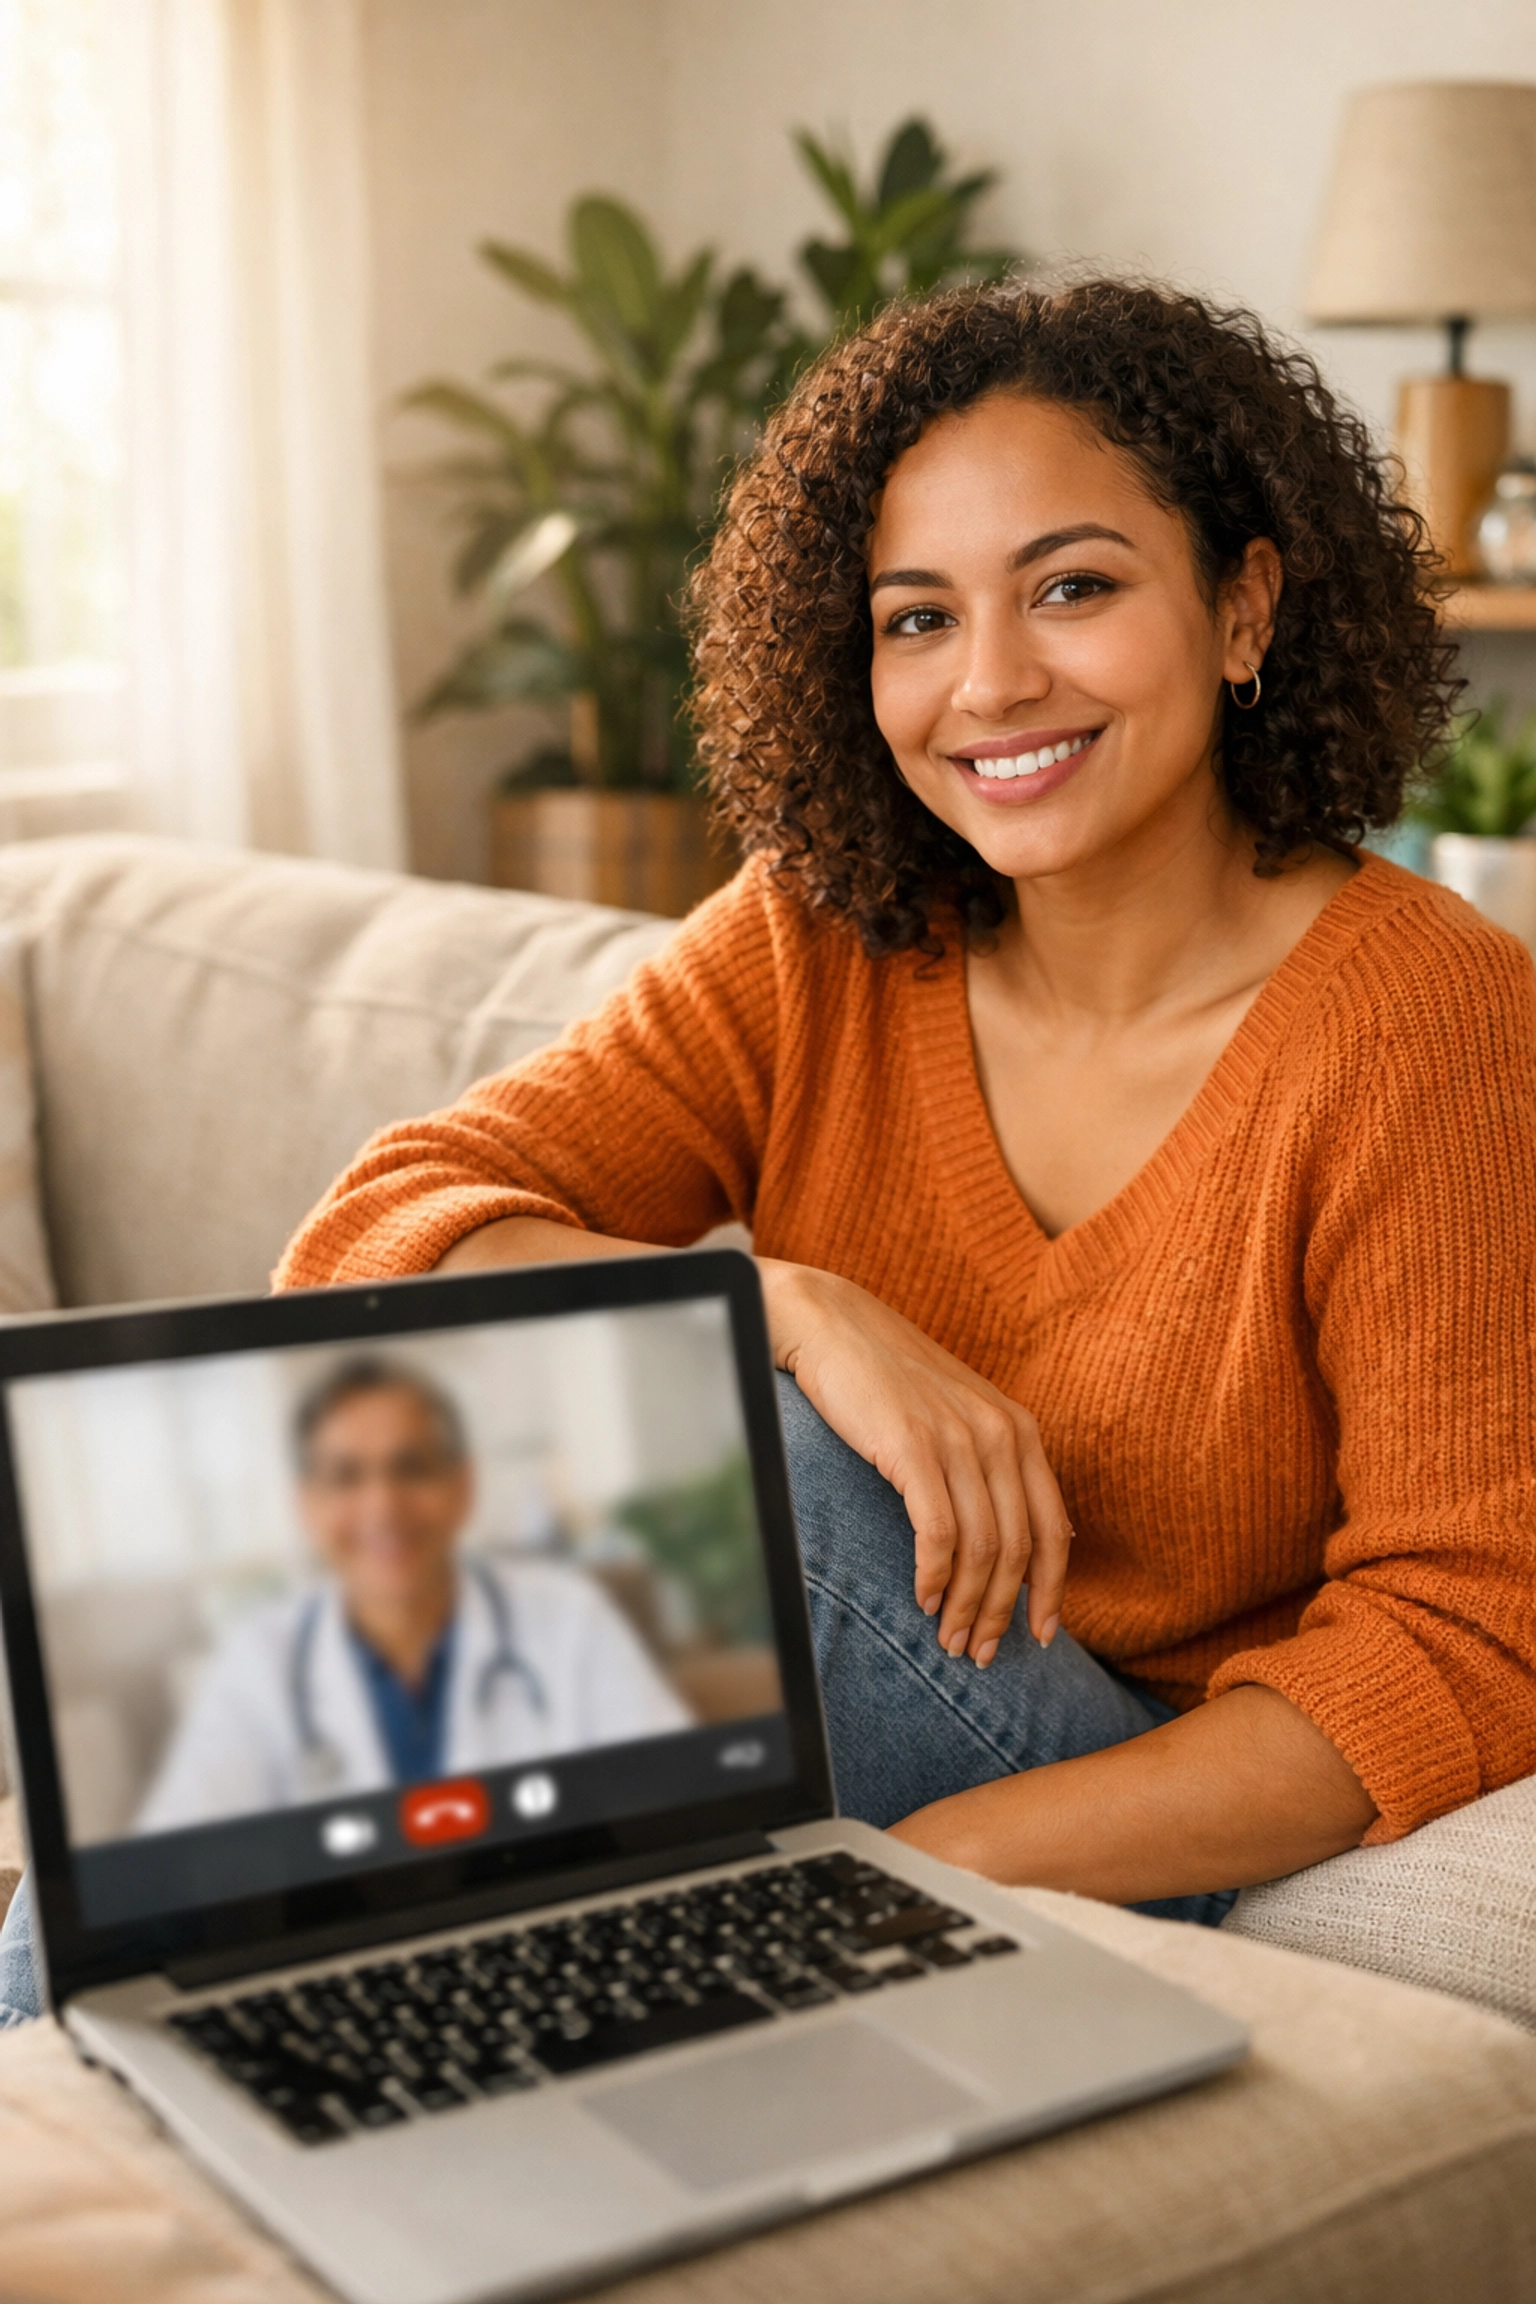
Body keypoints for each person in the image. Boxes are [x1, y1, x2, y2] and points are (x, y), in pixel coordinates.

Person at [245, 284, 1535, 1919]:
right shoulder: (826, 933)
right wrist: (778, 1301)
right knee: (381, 1513)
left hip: (1138, 1788)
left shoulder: (1434, 1022)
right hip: (793, 1735)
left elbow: (1470, 1628)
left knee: (732, 1455)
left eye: (1071, 587)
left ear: (1242, 607)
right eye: (917, 617)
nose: (989, 682)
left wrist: (924, 1877)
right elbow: (372, 1242)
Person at [136, 1358, 691, 1833]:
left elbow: (681, 1794)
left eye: (412, 1468)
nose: (382, 1507)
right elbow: (175, 1868)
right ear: (308, 1506)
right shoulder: (259, 1661)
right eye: (346, 1477)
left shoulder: (568, 1615)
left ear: (462, 1487)